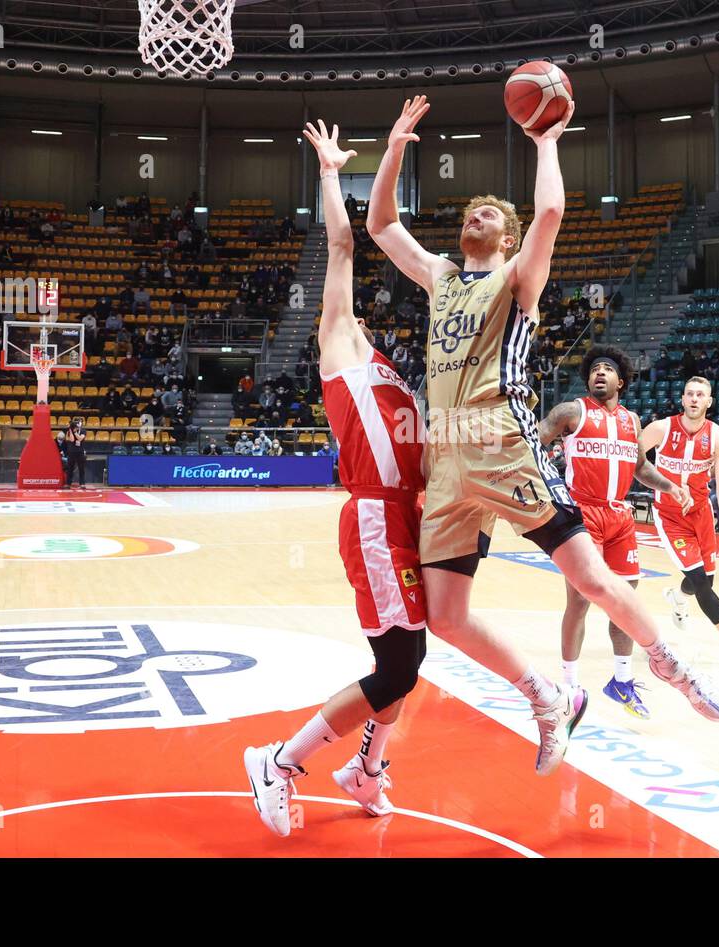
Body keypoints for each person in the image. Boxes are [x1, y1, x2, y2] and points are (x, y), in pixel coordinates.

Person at [367, 95, 719, 775]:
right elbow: (382, 222)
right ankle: (546, 694)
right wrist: (390, 149)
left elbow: (553, 214)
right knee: (444, 616)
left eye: (493, 215)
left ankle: (671, 664)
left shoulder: (517, 279)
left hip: (503, 442)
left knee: (588, 575)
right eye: (471, 212)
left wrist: (545, 139)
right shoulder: (443, 277)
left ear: (507, 238)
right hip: (445, 461)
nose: (476, 216)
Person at [244, 120, 428, 837]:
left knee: (409, 658)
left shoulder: (388, 368)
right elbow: (345, 244)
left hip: (406, 519)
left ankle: (367, 769)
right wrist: (332, 174)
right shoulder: (337, 343)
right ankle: (281, 762)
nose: (355, 309)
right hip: (377, 520)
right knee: (395, 668)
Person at [536, 345, 695, 719]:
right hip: (582, 515)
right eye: (594, 370)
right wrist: (546, 486)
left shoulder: (631, 420)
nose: (600, 373)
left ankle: (621, 681)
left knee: (625, 600)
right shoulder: (571, 412)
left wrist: (671, 486)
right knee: (579, 601)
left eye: (607, 369)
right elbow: (533, 444)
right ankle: (570, 688)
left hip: (620, 516)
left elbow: (640, 468)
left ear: (621, 380)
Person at [640, 377, 719, 671]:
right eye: (690, 394)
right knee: (700, 581)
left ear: (709, 401)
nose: (695, 399)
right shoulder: (661, 428)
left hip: (701, 513)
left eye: (701, 395)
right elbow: (630, 459)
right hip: (669, 515)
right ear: (683, 399)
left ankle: (677, 597)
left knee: (705, 581)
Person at [63, 417, 87, 487]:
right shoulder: (70, 430)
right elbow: (72, 440)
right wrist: (71, 430)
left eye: (79, 422)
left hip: (80, 451)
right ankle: (68, 483)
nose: (78, 423)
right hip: (72, 451)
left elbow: (80, 438)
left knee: (81, 468)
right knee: (70, 467)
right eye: (76, 422)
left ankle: (82, 483)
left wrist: (75, 432)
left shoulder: (83, 431)